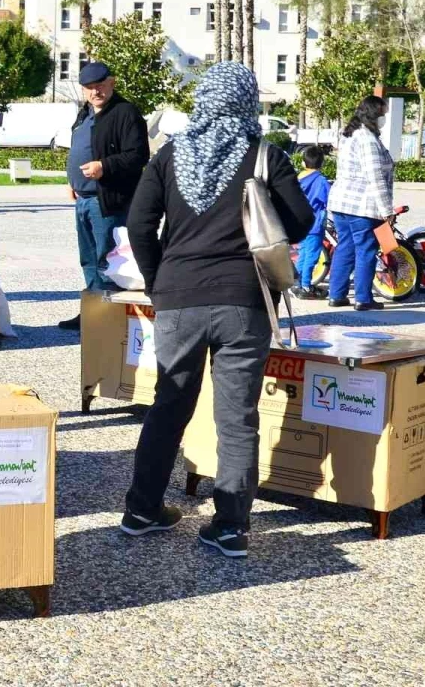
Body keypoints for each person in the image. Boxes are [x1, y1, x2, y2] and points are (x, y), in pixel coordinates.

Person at [123, 62, 313, 558]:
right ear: (248, 102)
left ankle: (142, 510)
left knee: (168, 405)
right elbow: (299, 221)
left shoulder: (169, 155)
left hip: (178, 299)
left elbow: (139, 224)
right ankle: (230, 525)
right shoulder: (265, 155)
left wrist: (156, 280)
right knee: (236, 417)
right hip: (244, 301)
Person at [59, 61, 150, 330]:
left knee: (107, 259)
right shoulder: (84, 113)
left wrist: (104, 166)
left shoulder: (126, 113)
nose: (95, 91)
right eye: (89, 87)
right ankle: (92, 309)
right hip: (83, 198)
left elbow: (137, 156)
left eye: (100, 85)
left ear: (112, 82)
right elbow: (78, 148)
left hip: (107, 198)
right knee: (88, 258)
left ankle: (109, 317)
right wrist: (71, 181)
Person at [326, 95, 394, 312]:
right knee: (366, 249)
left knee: (345, 247)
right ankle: (363, 299)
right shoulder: (367, 139)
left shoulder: (350, 135)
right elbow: (374, 176)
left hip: (341, 203)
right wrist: (386, 210)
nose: (384, 118)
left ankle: (336, 295)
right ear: (375, 114)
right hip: (361, 205)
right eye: (383, 113)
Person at [293, 146, 331, 300]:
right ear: (321, 164)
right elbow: (330, 199)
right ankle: (306, 286)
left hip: (301, 223)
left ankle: (297, 282)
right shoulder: (321, 181)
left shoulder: (298, 179)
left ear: (303, 163)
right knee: (312, 256)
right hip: (315, 225)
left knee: (302, 254)